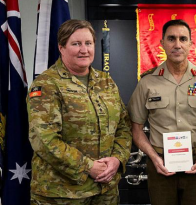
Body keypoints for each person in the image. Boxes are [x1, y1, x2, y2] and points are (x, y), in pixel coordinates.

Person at [27, 19, 132, 205]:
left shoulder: (105, 81)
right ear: (61, 47)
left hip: (105, 192)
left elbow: (123, 127)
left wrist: (117, 159)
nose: (84, 50)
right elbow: (44, 141)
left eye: (88, 43)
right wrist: (87, 167)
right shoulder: (47, 85)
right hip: (62, 194)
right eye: (76, 44)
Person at [128, 19, 196, 205]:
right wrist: (154, 158)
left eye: (182, 39)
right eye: (171, 39)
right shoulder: (147, 82)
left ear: (190, 43)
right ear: (162, 43)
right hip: (160, 164)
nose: (177, 44)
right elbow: (136, 128)